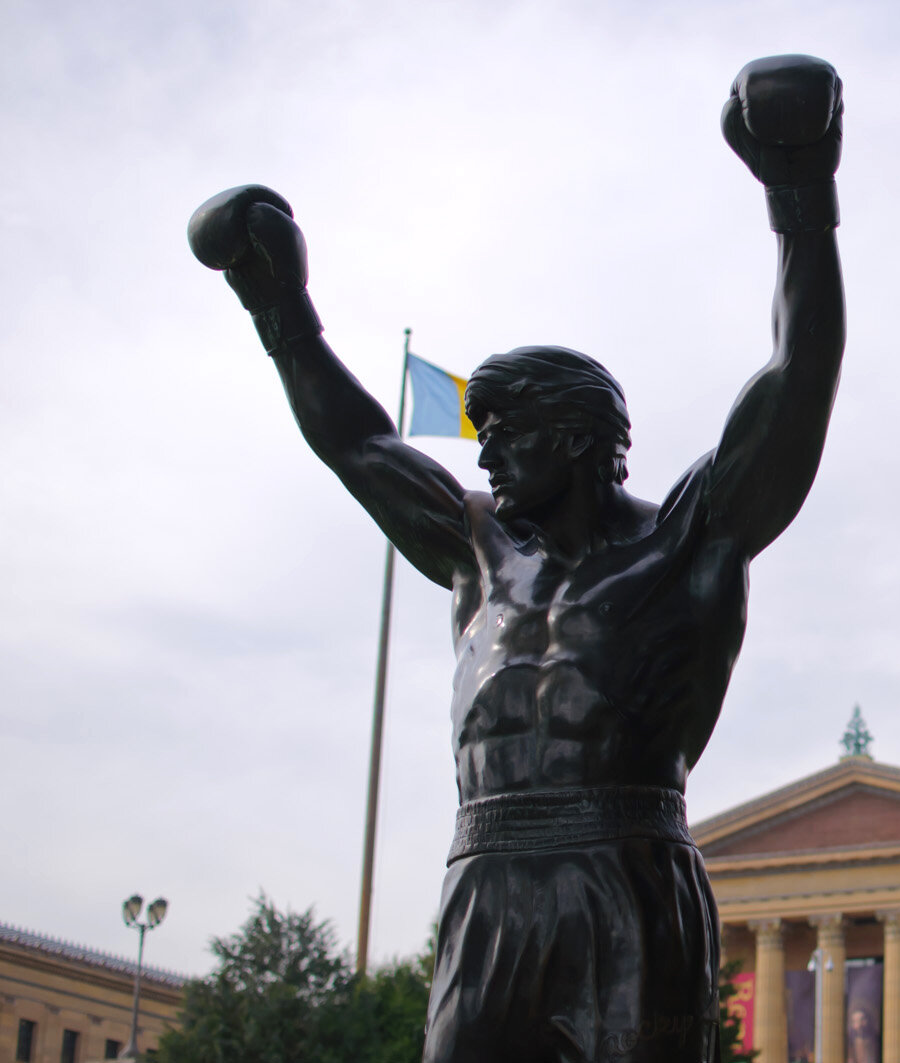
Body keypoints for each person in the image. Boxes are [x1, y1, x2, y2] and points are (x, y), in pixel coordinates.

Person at [188, 54, 845, 1063]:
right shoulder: (477, 553)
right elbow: (358, 444)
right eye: (479, 431)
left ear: (579, 437)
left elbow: (797, 378)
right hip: (486, 883)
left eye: (508, 431)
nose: (484, 451)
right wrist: (279, 310)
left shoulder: (687, 541)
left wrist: (799, 195)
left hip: (622, 874)